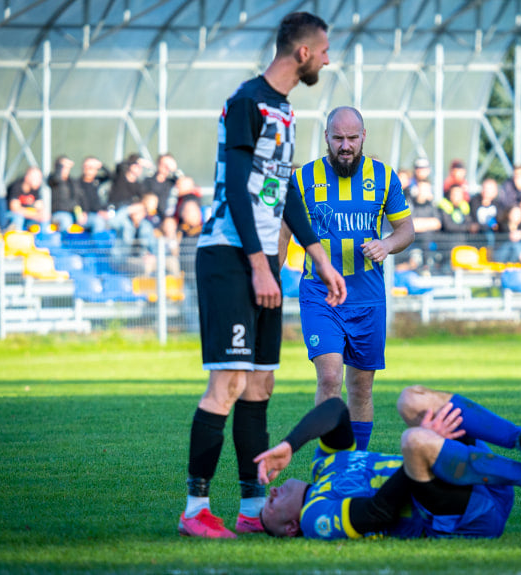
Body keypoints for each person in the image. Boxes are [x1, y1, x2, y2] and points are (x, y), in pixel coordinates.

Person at [179, 11, 346, 540]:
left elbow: (283, 189)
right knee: (226, 383)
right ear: (301, 53)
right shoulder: (247, 101)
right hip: (230, 256)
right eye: (322, 50)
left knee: (259, 385)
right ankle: (195, 510)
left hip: (264, 263)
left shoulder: (285, 110)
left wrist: (318, 257)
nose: (326, 58)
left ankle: (252, 507)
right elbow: (234, 187)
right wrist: (257, 264)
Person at [254, 386, 521, 539]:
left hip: (477, 477)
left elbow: (336, 412)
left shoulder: (323, 466)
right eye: (268, 511)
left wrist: (290, 444)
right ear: (290, 528)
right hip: (462, 518)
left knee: (411, 399)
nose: (269, 495)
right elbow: (378, 513)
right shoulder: (315, 518)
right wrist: (425, 449)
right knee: (414, 441)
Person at [285, 106, 414, 453]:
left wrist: (386, 244)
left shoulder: (384, 177)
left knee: (360, 388)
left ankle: (355, 464)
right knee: (329, 378)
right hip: (321, 293)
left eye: (352, 138)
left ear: (363, 137)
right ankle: (326, 463)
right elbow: (283, 233)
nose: (345, 145)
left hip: (368, 296)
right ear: (326, 137)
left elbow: (406, 230)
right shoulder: (301, 179)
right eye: (338, 138)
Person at [48, 155, 84, 232]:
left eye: (68, 167)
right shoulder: (53, 180)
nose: (66, 169)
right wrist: (60, 164)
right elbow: (56, 178)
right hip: (59, 213)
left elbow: (78, 199)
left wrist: (82, 213)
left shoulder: (72, 182)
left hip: (73, 212)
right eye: (63, 167)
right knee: (66, 220)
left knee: (96, 221)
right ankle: (65, 242)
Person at [75, 156, 111, 235]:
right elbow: (75, 202)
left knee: (117, 221)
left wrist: (101, 166)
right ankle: (98, 247)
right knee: (98, 222)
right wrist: (80, 213)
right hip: (86, 215)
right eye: (86, 166)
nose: (88, 169)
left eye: (91, 167)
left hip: (100, 212)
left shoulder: (97, 182)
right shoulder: (76, 184)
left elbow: (111, 175)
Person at [6, 167, 47, 231]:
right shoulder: (16, 186)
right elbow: (15, 208)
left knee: (44, 217)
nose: (39, 181)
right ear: (27, 177)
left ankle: (44, 238)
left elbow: (40, 207)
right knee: (18, 217)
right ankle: (17, 237)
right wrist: (34, 215)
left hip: (27, 216)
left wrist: (41, 215)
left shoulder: (35, 189)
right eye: (37, 178)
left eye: (40, 178)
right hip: (9, 215)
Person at [469, 178, 500, 248]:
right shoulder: (474, 202)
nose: (486, 191)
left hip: (493, 235)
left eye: (489, 189)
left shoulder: (498, 204)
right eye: (485, 188)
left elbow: (499, 222)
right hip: (478, 234)